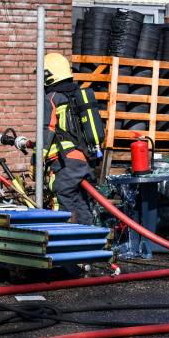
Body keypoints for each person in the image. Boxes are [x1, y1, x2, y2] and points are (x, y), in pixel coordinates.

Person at [37, 52, 105, 225]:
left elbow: (47, 129)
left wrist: (37, 159)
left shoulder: (52, 98)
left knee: (62, 198)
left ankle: (63, 243)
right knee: (81, 202)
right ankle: (90, 243)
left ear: (48, 76)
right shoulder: (77, 94)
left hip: (68, 163)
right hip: (88, 159)